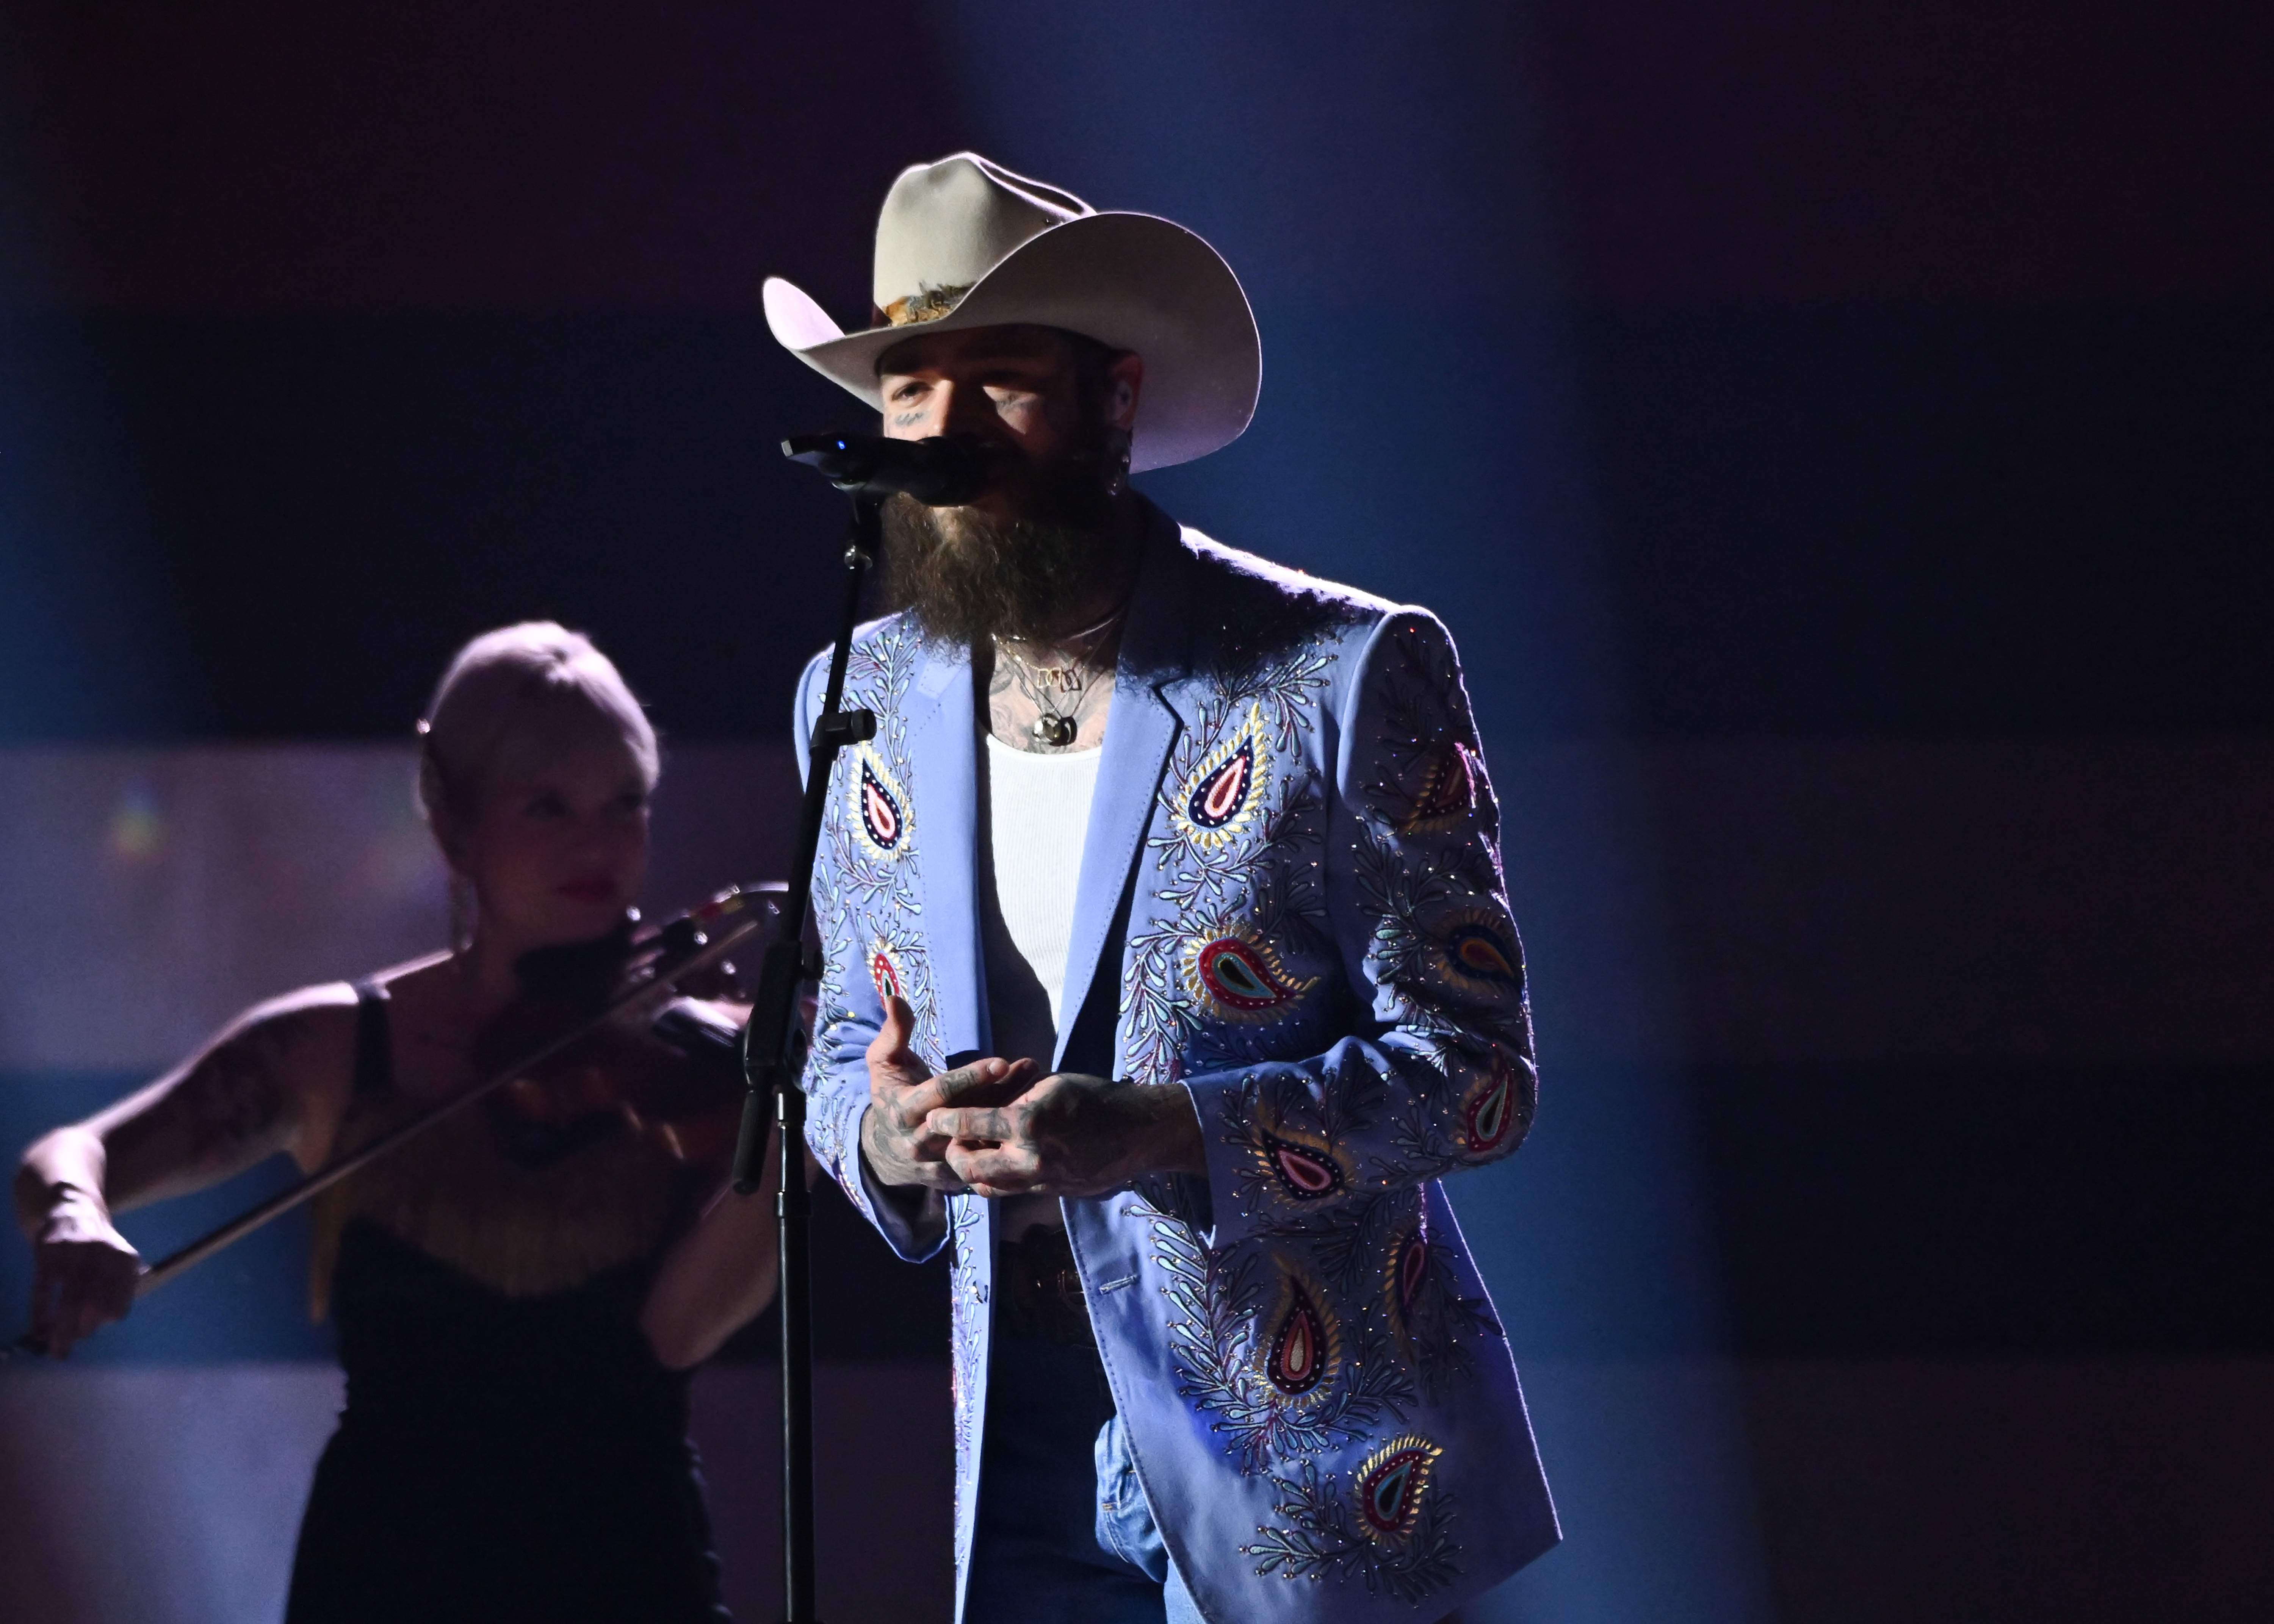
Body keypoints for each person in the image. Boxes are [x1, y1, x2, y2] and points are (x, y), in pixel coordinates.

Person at [765, 154, 1558, 1622]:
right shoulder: (853, 696)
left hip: (1314, 1457)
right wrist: (881, 1131)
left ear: (1113, 400)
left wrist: (1162, 1131)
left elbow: (1478, 1080)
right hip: (1021, 1450)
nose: (943, 433)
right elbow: (823, 1048)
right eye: (905, 390)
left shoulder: (1338, 672)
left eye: (998, 380)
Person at [13, 623, 780, 1623]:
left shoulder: (706, 1057)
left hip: (627, 1573)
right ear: (452, 819)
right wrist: (77, 1216)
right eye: (547, 805)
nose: (599, 844)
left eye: (624, 803)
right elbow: (79, 1154)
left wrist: (790, 1135)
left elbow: (678, 1332)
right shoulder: (340, 1048)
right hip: (388, 1574)